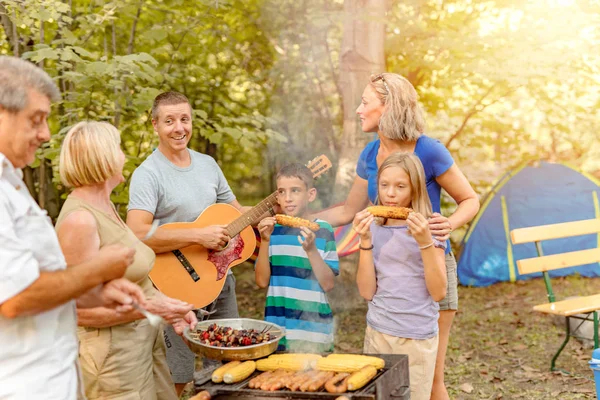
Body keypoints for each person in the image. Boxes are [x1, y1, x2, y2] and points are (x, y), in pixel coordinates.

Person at [312, 73, 479, 400]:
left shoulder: (428, 150)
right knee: (386, 382)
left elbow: (470, 199)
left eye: (365, 103)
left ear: (388, 108)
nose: (358, 110)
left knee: (431, 381)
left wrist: (450, 223)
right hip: (388, 271)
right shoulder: (368, 155)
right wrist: (305, 220)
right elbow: (348, 211)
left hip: (430, 265)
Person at [0, 56, 145, 399]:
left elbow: (34, 280)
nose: (45, 134)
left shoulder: (12, 183)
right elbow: (15, 298)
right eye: (36, 121)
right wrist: (98, 270)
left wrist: (93, 293)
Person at [55, 121, 198, 399]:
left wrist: (171, 308)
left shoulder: (105, 206)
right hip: (113, 361)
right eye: (118, 148)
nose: (123, 155)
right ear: (103, 158)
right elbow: (76, 311)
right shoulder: (80, 220)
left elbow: (133, 279)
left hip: (144, 346)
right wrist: (152, 309)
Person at [126, 91, 248, 395]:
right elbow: (138, 232)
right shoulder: (148, 174)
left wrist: (272, 208)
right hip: (173, 288)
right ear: (155, 124)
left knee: (227, 369)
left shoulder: (208, 165)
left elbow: (236, 213)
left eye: (184, 119)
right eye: (169, 121)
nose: (179, 127)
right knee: (176, 377)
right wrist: (198, 235)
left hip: (220, 281)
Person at [353, 152, 447, 400]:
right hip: (378, 332)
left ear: (415, 189)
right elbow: (366, 291)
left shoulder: (432, 227)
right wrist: (364, 241)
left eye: (400, 186)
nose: (390, 194)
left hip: (416, 337)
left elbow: (438, 292)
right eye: (384, 185)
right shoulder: (374, 226)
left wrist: (425, 242)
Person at [255, 163, 339, 352]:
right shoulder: (271, 231)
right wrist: (265, 240)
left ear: (310, 194)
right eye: (282, 192)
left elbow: (328, 284)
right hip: (277, 328)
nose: (288, 198)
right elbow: (261, 281)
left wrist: (311, 250)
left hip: (314, 331)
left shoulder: (323, 230)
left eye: (295, 191)